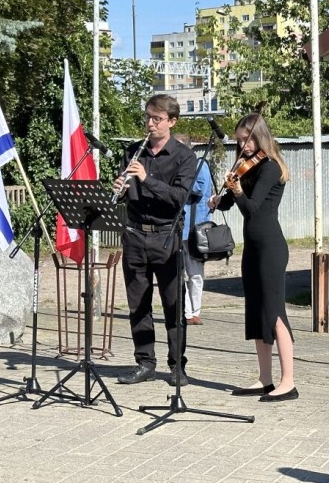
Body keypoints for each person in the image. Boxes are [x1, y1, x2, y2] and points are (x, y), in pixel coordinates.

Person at [209, 113, 297, 402]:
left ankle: (289, 382)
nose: (244, 147)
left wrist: (236, 188)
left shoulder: (270, 167)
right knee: (257, 313)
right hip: (253, 248)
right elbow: (231, 204)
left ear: (260, 136)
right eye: (239, 142)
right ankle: (265, 378)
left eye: (247, 140)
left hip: (271, 247)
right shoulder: (248, 169)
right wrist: (219, 200)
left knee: (274, 313)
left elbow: (252, 208)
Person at [113, 94, 197, 387]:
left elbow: (179, 198)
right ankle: (145, 363)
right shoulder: (134, 152)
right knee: (138, 305)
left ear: (172, 122)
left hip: (166, 237)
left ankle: (177, 366)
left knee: (173, 305)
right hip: (135, 234)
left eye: (156, 119)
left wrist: (147, 179)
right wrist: (121, 188)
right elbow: (126, 188)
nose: (150, 123)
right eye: (148, 117)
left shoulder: (184, 157)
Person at [174, 134, 213, 326]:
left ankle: (193, 312)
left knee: (195, 273)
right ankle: (183, 311)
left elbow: (198, 189)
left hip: (194, 228)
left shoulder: (200, 165)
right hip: (176, 227)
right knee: (177, 272)